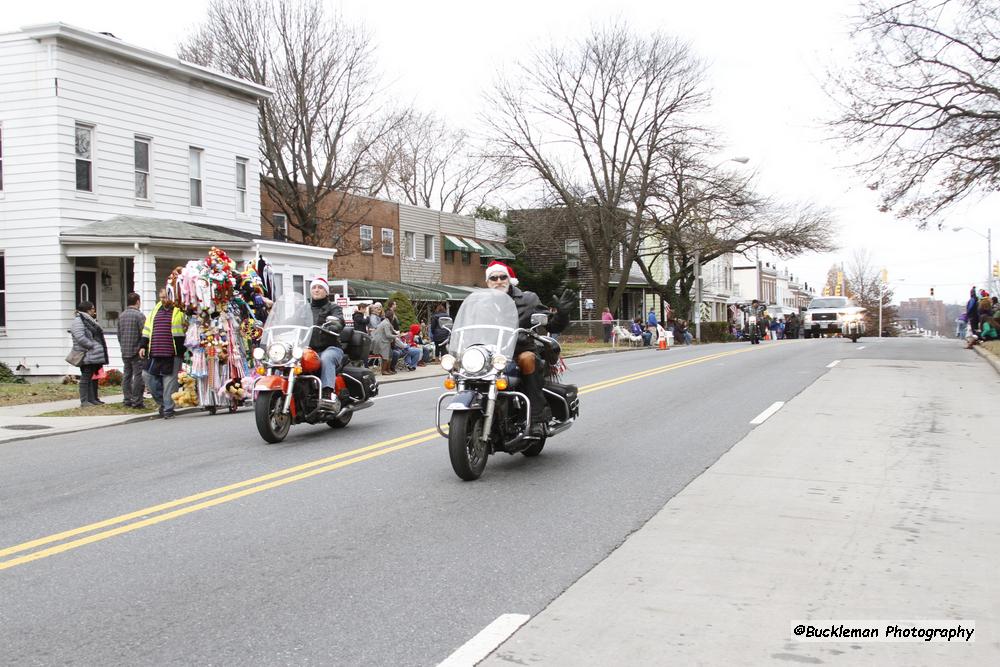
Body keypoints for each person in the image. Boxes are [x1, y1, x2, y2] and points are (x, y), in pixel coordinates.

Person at [484, 260, 573, 437]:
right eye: (494, 278)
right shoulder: (482, 303)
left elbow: (553, 325)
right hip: (490, 354)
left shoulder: (528, 299)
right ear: (488, 282)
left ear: (509, 280)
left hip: (519, 351)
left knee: (527, 359)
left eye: (503, 277)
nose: (499, 281)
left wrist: (562, 314)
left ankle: (537, 419)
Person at [138, 289, 186, 418]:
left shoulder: (179, 310)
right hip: (155, 351)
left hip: (173, 352)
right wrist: (143, 345)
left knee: (169, 382)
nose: (163, 300)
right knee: (147, 376)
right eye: (161, 297)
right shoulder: (156, 310)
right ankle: (163, 403)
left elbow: (186, 327)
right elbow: (147, 329)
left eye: (165, 297)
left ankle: (168, 410)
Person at [306, 277, 345, 401]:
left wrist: (336, 324)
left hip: (330, 348)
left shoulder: (333, 308)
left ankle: (327, 393)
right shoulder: (304, 309)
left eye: (320, 287)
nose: (316, 290)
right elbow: (291, 320)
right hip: (308, 350)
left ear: (326, 292)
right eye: (314, 287)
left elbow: (339, 320)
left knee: (326, 358)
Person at [69, 300, 109, 407]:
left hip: (92, 354)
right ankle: (84, 401)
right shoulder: (79, 321)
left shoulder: (88, 320)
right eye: (92, 309)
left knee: (92, 376)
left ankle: (92, 399)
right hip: (86, 353)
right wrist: (92, 345)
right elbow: (80, 337)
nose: (94, 311)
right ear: (87, 310)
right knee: (85, 378)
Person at [117, 292, 146, 408]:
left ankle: (127, 399)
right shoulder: (139, 316)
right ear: (138, 301)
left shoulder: (122, 315)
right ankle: (137, 400)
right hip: (137, 350)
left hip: (125, 349)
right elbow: (144, 333)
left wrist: (122, 345)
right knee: (138, 375)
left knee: (127, 375)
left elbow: (119, 334)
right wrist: (143, 347)